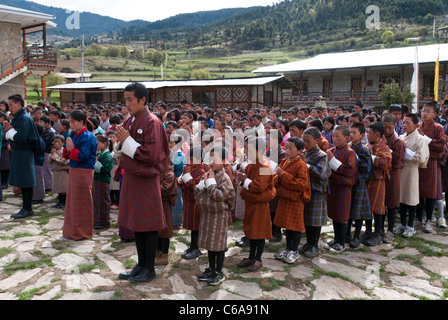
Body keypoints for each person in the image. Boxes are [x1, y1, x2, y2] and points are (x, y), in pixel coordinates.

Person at [117, 82, 170, 283]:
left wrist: (128, 141)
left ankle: (149, 268)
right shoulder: (130, 120)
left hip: (146, 180)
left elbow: (152, 154)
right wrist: (120, 144)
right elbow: (126, 145)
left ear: (142, 100)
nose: (127, 104)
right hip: (132, 177)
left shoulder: (152, 122)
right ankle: (140, 264)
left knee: (147, 224)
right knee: (137, 223)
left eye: (130, 100)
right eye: (125, 100)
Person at [195, 145, 236, 286]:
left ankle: (219, 272)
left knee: (218, 245)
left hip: (219, 216)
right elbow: (199, 192)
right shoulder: (208, 174)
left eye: (216, 159)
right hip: (208, 215)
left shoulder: (225, 179)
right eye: (210, 158)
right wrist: (205, 183)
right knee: (209, 244)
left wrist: (210, 184)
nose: (212, 162)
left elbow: (219, 196)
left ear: (224, 161)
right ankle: (211, 269)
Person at [236, 137, 276, 271]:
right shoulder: (251, 165)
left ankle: (258, 259)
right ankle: (251, 257)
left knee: (259, 233)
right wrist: (244, 181)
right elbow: (247, 186)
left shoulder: (265, 167)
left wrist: (245, 181)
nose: (246, 152)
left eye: (248, 149)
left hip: (260, 206)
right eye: (246, 148)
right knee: (251, 232)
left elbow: (258, 187)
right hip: (251, 204)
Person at [273, 137, 311, 264]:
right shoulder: (284, 161)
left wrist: (283, 175)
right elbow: (275, 177)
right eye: (286, 148)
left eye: (290, 148)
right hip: (285, 197)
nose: (287, 151)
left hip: (295, 200)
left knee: (295, 226)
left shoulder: (301, 165)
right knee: (288, 225)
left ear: (300, 151)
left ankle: (294, 251)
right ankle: (288, 248)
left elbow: (301, 184)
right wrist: (278, 178)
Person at [62, 110, 97, 240]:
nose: (71, 124)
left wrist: (71, 148)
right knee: (73, 202)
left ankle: (83, 232)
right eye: (70, 122)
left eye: (73, 122)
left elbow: (83, 156)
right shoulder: (73, 134)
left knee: (82, 202)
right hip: (73, 170)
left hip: (84, 172)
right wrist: (68, 148)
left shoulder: (88, 136)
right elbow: (66, 154)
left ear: (82, 122)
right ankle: (72, 231)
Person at [5, 94, 41, 220]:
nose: (9, 108)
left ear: (19, 104)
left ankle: (27, 208)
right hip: (19, 152)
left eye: (11, 105)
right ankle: (25, 207)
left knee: (26, 181)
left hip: (24, 153)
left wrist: (9, 130)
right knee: (22, 180)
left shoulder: (25, 118)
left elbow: (22, 137)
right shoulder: (19, 117)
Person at [395, 113, 430, 238]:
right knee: (402, 198)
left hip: (411, 170)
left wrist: (408, 154)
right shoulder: (401, 137)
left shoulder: (420, 139)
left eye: (407, 123)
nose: (404, 125)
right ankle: (402, 224)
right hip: (401, 170)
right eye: (403, 122)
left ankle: (410, 226)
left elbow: (421, 157)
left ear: (415, 125)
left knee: (411, 198)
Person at [324, 125, 358, 252]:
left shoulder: (350, 153)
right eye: (333, 136)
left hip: (344, 188)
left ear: (346, 138)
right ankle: (336, 239)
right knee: (334, 214)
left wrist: (332, 161)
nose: (335, 139)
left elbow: (349, 171)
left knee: (342, 216)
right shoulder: (332, 150)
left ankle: (341, 242)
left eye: (338, 136)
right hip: (333, 187)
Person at [300, 127, 331, 257]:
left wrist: (305, 165)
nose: (305, 144)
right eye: (304, 141)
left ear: (317, 140)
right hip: (306, 191)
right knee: (307, 219)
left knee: (315, 220)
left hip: (317, 191)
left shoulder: (321, 156)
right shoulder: (305, 153)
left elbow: (322, 173)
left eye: (308, 141)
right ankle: (308, 242)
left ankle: (314, 245)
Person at [416, 102, 446, 233]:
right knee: (417, 193)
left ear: (435, 114)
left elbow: (440, 145)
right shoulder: (418, 126)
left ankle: (428, 220)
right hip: (418, 163)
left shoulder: (438, 127)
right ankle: (418, 218)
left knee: (429, 193)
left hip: (431, 163)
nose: (424, 113)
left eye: (428, 111)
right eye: (423, 110)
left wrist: (425, 138)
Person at [363, 122, 392, 246]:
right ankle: (368, 231)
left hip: (378, 180)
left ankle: (378, 233)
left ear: (377, 134)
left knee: (378, 208)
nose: (367, 135)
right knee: (367, 207)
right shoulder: (368, 145)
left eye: (369, 132)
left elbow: (386, 162)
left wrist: (370, 157)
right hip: (367, 180)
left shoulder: (383, 147)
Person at [177, 146, 206, 259]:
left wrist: (185, 176)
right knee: (192, 226)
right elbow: (179, 183)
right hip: (189, 202)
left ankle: (196, 247)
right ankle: (192, 246)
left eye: (193, 159)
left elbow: (192, 185)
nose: (191, 161)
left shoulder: (202, 171)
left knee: (196, 226)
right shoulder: (190, 169)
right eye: (190, 159)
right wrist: (183, 176)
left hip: (196, 203)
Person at [347, 123, 373, 248]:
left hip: (360, 183)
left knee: (358, 211)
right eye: (350, 132)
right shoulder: (347, 147)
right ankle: (346, 234)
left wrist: (356, 159)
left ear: (362, 135)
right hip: (348, 183)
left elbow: (367, 168)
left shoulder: (365, 150)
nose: (351, 135)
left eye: (354, 133)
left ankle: (357, 235)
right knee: (348, 210)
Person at [382, 115, 406, 243]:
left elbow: (398, 162)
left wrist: (387, 149)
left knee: (391, 203)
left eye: (389, 128)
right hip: (380, 175)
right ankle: (379, 229)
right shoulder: (378, 139)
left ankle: (390, 230)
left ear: (395, 126)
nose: (386, 130)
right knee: (380, 203)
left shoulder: (398, 142)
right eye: (384, 127)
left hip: (393, 175)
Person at [156, 163, 178, 266]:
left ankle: (164, 255)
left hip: (164, 204)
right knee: (158, 230)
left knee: (165, 231)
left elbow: (164, 189)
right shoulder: (160, 170)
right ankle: (158, 252)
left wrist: (153, 185)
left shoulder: (169, 173)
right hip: (157, 203)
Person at [92, 134, 115, 230]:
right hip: (97, 180)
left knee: (102, 201)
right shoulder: (100, 154)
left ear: (105, 144)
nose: (96, 146)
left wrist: (95, 162)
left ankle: (103, 221)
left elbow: (104, 169)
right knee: (96, 201)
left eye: (98, 144)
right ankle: (97, 220)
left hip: (102, 181)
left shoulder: (107, 156)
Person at [49, 135, 69, 209]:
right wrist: (51, 154)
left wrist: (54, 155)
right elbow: (49, 161)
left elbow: (64, 161)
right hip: (56, 172)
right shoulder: (54, 150)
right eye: (55, 142)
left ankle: (64, 202)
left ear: (63, 143)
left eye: (58, 142)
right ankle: (60, 202)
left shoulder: (64, 151)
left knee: (63, 189)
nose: (56, 144)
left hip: (62, 173)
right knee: (58, 189)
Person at [39, 115, 55, 193]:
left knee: (47, 169)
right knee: (44, 169)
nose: (40, 123)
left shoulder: (50, 132)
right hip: (44, 152)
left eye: (41, 122)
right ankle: (47, 185)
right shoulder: (45, 131)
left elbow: (45, 143)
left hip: (47, 152)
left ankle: (49, 186)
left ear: (47, 123)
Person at [32, 123, 46, 204]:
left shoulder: (38, 140)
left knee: (38, 180)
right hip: (36, 161)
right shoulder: (37, 139)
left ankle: (38, 197)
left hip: (37, 161)